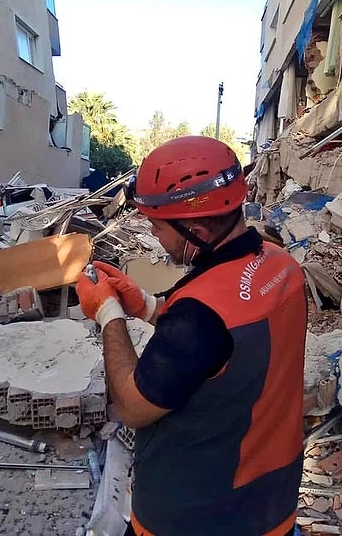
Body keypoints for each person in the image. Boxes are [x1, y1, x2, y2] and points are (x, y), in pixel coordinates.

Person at [76, 135, 307, 536]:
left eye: (156, 225)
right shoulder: (281, 265)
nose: (154, 236)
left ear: (196, 229)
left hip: (198, 511)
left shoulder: (200, 316)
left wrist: (107, 312)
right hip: (272, 501)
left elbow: (132, 407)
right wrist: (146, 305)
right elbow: (225, 344)